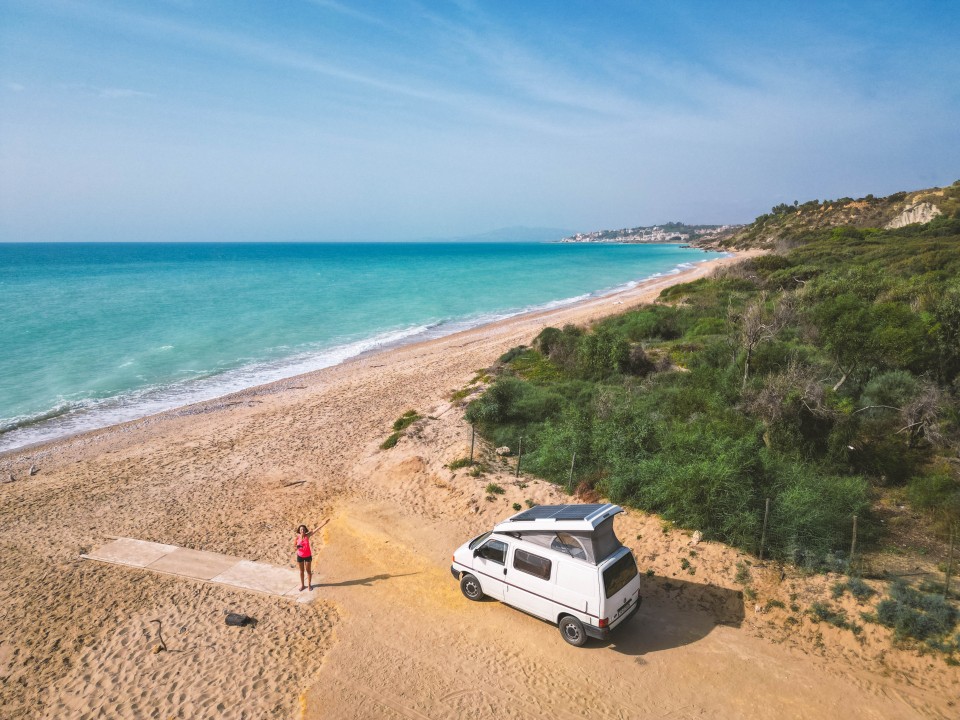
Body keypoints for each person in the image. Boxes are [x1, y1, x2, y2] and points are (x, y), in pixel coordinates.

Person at [295, 522, 326, 591]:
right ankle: (302, 585)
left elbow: (317, 529)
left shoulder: (307, 536)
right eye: (301, 530)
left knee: (308, 571)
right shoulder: (297, 537)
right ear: (299, 531)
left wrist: (324, 523)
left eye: (303, 529)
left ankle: (309, 585)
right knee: (301, 571)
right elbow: (294, 546)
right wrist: (297, 546)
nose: (302, 531)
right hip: (300, 556)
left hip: (308, 556)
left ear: (305, 530)